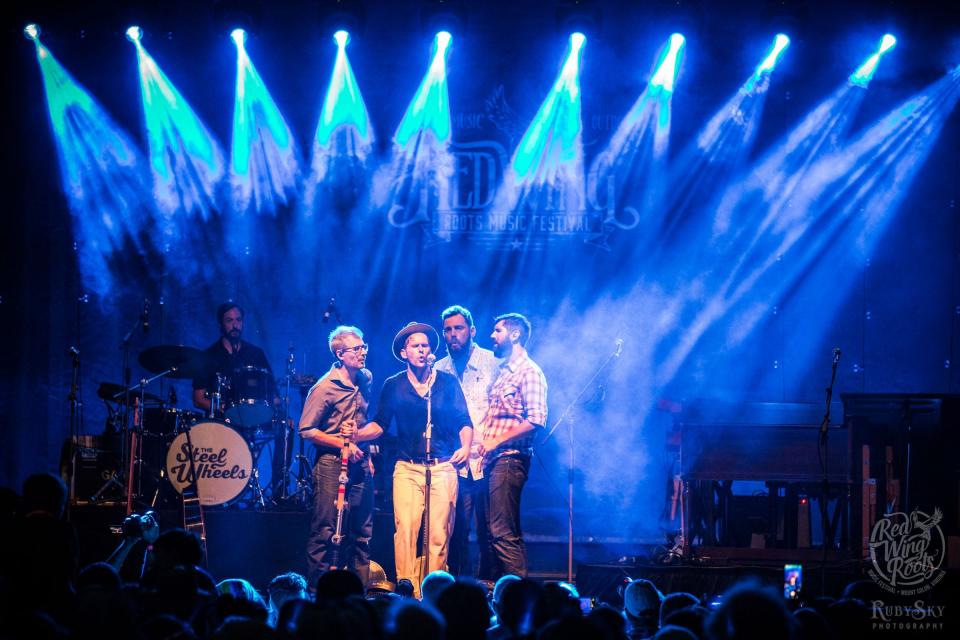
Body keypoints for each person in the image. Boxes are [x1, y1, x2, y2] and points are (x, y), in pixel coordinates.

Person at [364, 322, 473, 598]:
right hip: (408, 467)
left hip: (442, 466)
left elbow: (464, 420)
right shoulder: (394, 385)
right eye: (416, 345)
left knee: (439, 535)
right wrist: (355, 435)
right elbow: (380, 423)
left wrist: (466, 446)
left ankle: (434, 594)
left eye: (425, 345)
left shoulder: (446, 383)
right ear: (404, 353)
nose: (422, 350)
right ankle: (407, 591)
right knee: (406, 530)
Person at [299, 325, 377, 588]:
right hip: (332, 464)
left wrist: (367, 455)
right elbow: (306, 430)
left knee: (362, 532)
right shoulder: (325, 387)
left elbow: (364, 422)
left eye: (364, 347)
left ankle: (359, 594)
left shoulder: (365, 379)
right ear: (341, 353)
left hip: (360, 464)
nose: (363, 352)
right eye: (357, 349)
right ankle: (317, 592)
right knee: (326, 530)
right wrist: (342, 444)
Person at [476, 313, 547, 578]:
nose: (492, 336)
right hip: (493, 461)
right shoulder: (503, 372)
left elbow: (536, 419)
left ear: (514, 334)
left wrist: (495, 440)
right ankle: (496, 595)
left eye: (497, 331)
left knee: (503, 532)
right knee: (488, 532)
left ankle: (518, 599)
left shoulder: (529, 372)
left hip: (509, 459)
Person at [434, 305, 500, 579]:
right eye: (448, 330)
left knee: (490, 532)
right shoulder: (438, 368)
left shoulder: (492, 362)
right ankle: (459, 587)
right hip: (454, 462)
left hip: (488, 460)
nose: (453, 335)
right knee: (456, 530)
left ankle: (490, 589)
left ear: (472, 331)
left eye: (458, 328)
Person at [192, 302, 274, 418]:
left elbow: (273, 393)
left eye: (238, 320)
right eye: (229, 321)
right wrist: (222, 409)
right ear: (221, 324)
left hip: (253, 421)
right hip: (219, 423)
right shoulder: (207, 356)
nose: (235, 325)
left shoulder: (256, 354)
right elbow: (198, 399)